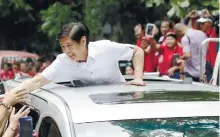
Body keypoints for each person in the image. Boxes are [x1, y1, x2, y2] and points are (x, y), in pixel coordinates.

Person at [16, 22, 145, 94]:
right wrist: (10, 95)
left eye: (69, 46)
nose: (67, 51)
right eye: (62, 47)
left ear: (83, 41)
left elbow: (137, 51)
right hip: (85, 112)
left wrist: (138, 78)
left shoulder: (105, 49)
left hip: (119, 105)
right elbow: (37, 81)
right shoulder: (62, 61)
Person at [197, 17, 217, 81]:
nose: (201, 25)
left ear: (209, 23)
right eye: (200, 24)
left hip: (214, 64)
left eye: (203, 23)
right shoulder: (201, 34)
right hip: (204, 64)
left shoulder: (215, 32)